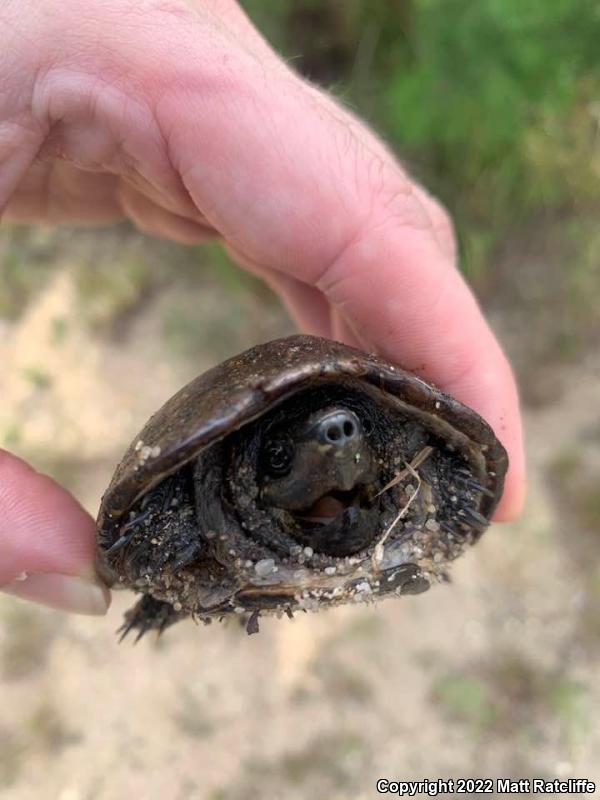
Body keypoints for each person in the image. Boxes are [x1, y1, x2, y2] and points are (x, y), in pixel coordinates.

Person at [0, 0, 524, 616]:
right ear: (237, 483)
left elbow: (461, 476)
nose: (339, 438)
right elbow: (138, 544)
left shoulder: (414, 467)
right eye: (280, 458)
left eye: (353, 435)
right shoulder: (192, 505)